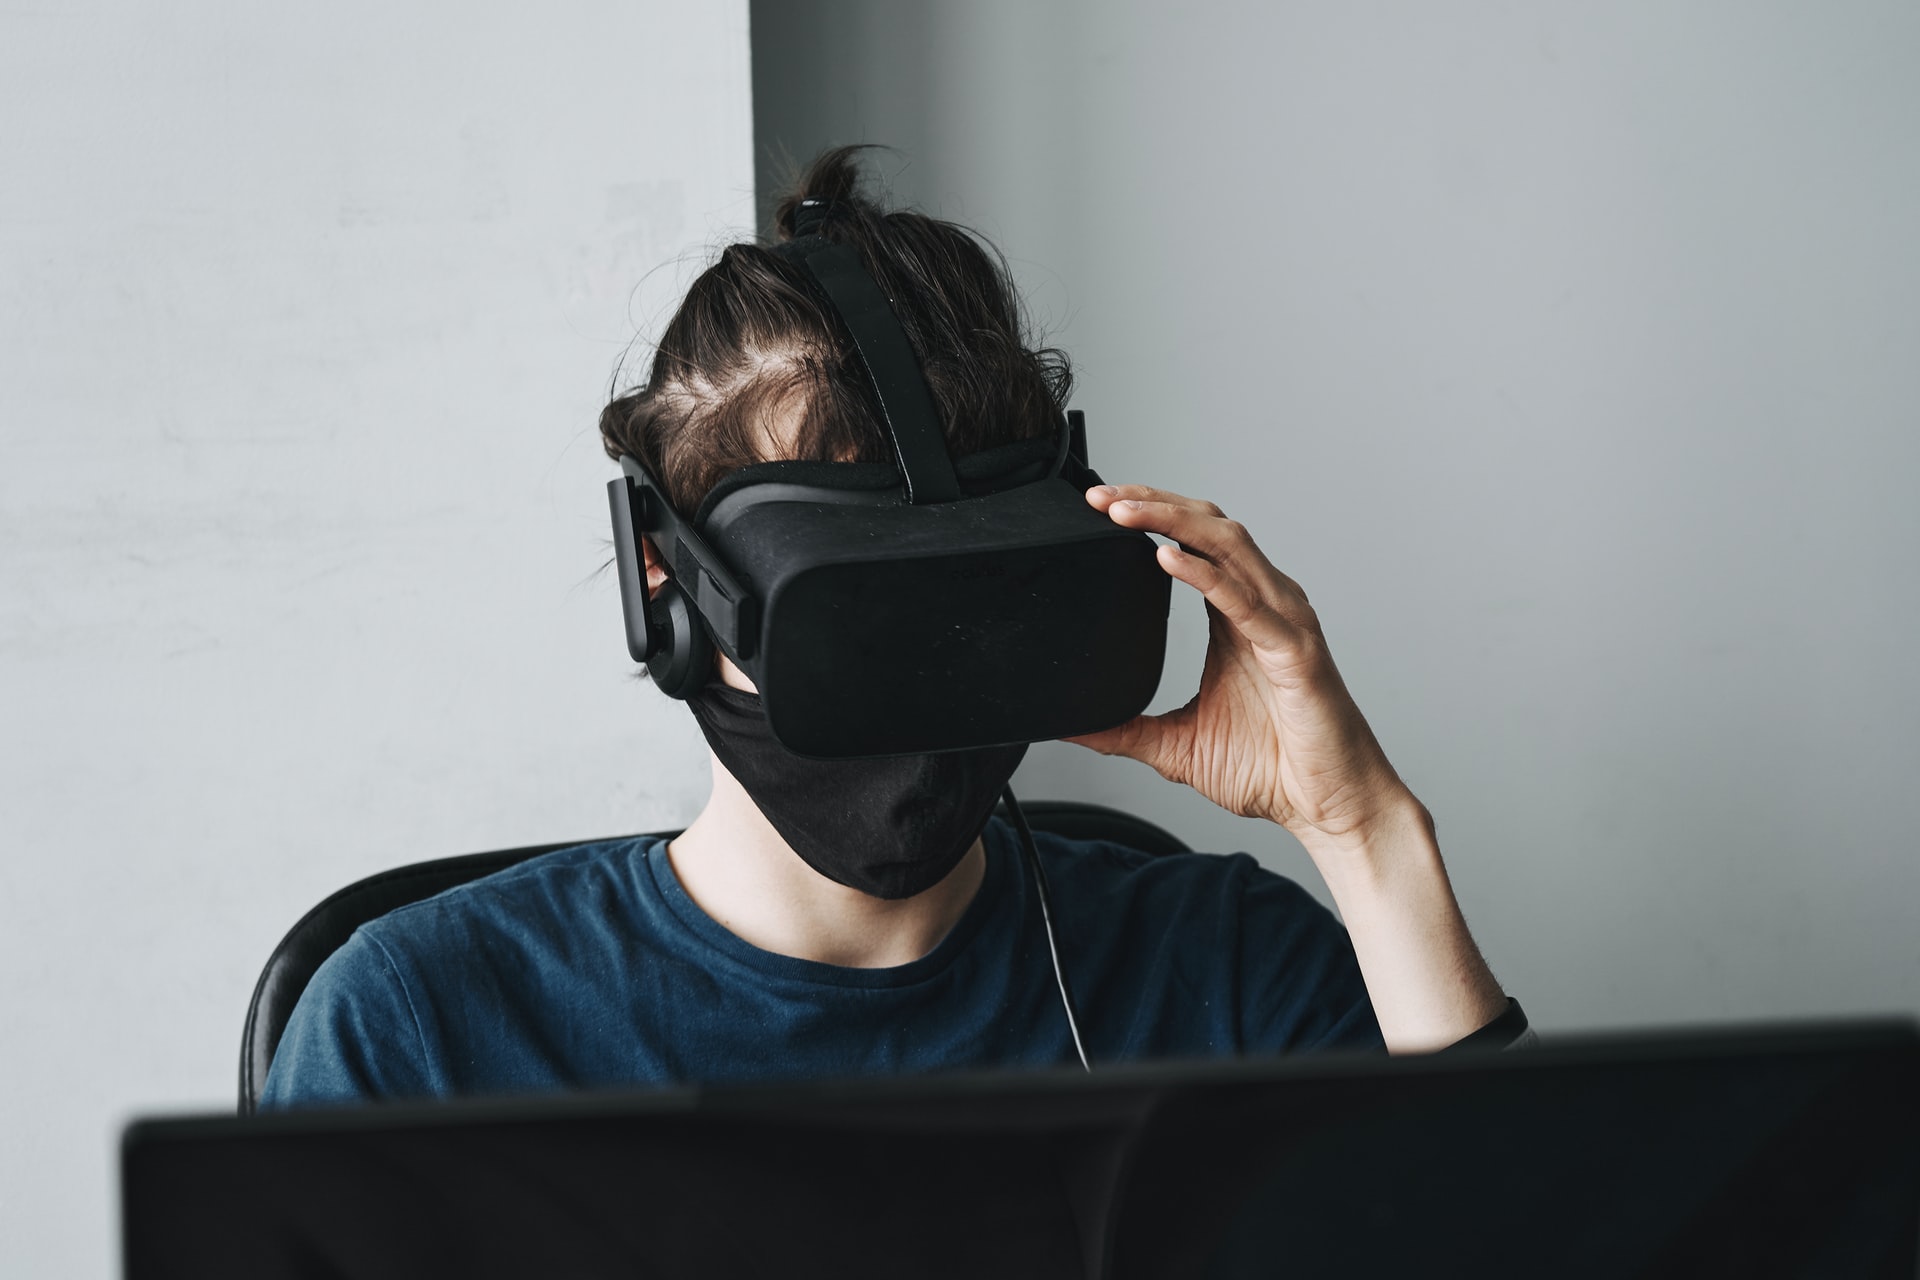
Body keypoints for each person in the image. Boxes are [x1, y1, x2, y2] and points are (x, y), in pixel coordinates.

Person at [261, 148, 1520, 1108]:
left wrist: (1363, 830)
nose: (921, 690)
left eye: (970, 598)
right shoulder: (422, 1026)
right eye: (855, 611)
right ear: (667, 583)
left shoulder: (1230, 972)